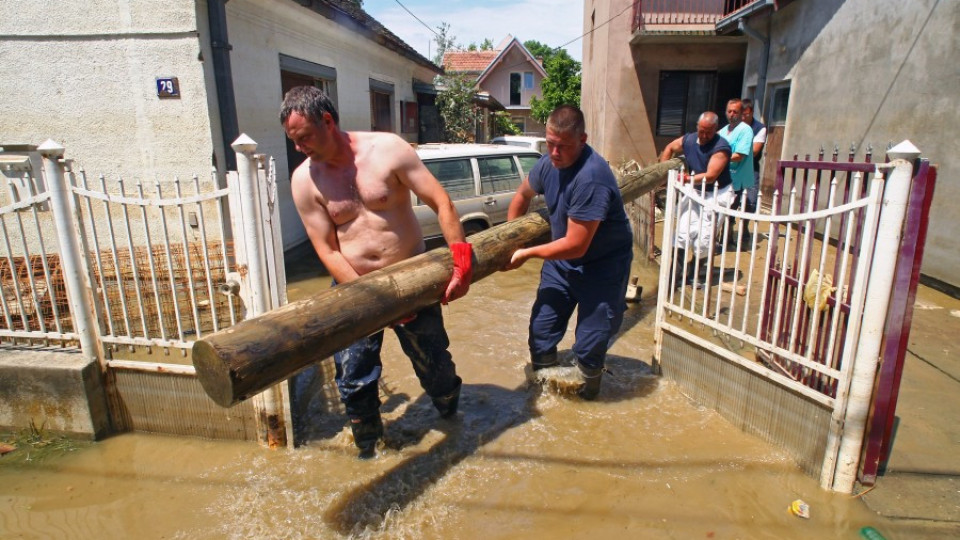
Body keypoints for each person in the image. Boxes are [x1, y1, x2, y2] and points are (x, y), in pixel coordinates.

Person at [280, 86, 473, 459]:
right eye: (294, 141)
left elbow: (441, 202)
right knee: (354, 378)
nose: (299, 148)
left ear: (328, 121)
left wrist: (461, 260)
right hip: (355, 289)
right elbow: (327, 248)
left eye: (304, 137)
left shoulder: (388, 150)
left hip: (413, 279)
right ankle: (369, 449)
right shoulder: (305, 180)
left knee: (435, 365)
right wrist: (374, 301)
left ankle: (451, 418)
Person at [503, 105, 633, 400]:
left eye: (563, 146)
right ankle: (542, 396)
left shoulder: (592, 177)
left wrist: (527, 254)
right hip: (562, 264)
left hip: (602, 266)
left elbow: (577, 244)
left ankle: (587, 401)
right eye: (550, 143)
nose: (555, 152)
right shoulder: (548, 163)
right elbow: (522, 196)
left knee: (591, 344)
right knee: (541, 331)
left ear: (583, 140)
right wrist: (510, 239)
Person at [658, 111, 733, 287]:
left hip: (716, 193)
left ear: (716, 129)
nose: (704, 135)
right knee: (683, 232)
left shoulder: (721, 147)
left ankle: (695, 273)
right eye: (701, 131)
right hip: (694, 190)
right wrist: (661, 172)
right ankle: (674, 274)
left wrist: (686, 179)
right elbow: (669, 148)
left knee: (704, 237)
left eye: (708, 132)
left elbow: (712, 176)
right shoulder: (689, 140)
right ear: (697, 127)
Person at [718, 98, 755, 249]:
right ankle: (720, 240)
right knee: (720, 209)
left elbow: (740, 155)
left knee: (730, 210)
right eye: (729, 111)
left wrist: (719, 158)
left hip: (737, 178)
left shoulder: (745, 130)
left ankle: (727, 240)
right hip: (723, 177)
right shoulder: (723, 130)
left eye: (736, 112)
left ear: (741, 114)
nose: (732, 114)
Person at [741, 98, 766, 214]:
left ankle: (744, 225)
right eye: (741, 114)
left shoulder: (759, 128)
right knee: (730, 199)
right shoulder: (735, 126)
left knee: (750, 201)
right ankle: (729, 225)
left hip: (751, 167)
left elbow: (754, 151)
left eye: (745, 114)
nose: (743, 117)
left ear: (751, 112)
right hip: (734, 167)